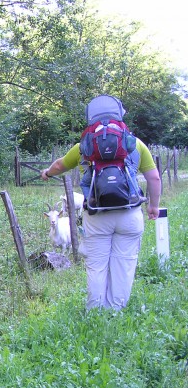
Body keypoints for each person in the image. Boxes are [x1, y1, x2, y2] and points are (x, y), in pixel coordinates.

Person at [40, 110, 161, 311]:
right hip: (129, 215)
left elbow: (60, 165)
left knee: (97, 266)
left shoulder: (83, 147)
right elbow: (154, 178)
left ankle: (95, 312)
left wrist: (47, 173)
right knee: (123, 265)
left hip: (96, 216)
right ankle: (115, 311)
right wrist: (153, 206)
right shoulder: (134, 144)